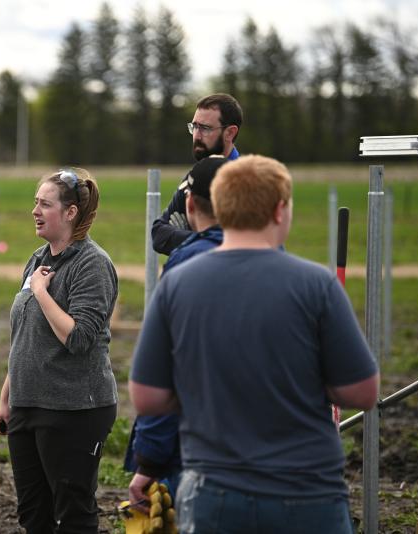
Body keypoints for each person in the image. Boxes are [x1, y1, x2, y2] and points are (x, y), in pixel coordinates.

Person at [130, 155, 379, 533]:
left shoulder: (178, 281)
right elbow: (363, 392)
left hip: (216, 491)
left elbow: (147, 398)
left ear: (207, 206)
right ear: (279, 211)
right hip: (308, 491)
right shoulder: (317, 285)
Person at [0, 168, 119, 534]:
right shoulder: (37, 260)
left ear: (70, 213)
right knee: (33, 515)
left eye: (45, 204)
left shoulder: (91, 264)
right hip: (27, 407)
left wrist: (43, 294)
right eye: (36, 202)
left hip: (75, 408)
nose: (35, 210)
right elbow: (24, 338)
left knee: (73, 514)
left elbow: (78, 339)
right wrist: (6, 399)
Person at [124, 155, 229, 509]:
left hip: (199, 451)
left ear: (188, 202)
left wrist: (150, 459)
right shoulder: (295, 272)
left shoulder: (185, 267)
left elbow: (162, 377)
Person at [151, 93, 242, 259]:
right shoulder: (195, 175)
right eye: (194, 127)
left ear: (230, 132)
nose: (197, 135)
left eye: (205, 128)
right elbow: (158, 234)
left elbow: (240, 244)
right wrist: (198, 239)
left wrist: (187, 236)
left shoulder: (247, 182)